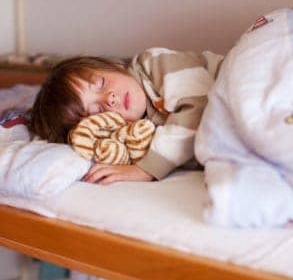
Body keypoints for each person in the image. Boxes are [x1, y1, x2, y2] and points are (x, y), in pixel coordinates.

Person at [30, 47, 223, 184]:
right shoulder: (130, 137)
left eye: (101, 83)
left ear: (113, 66)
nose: (110, 99)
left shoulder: (154, 64)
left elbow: (197, 107)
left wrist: (146, 169)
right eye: (97, 110)